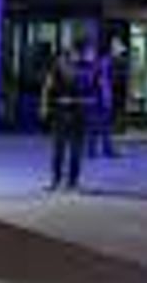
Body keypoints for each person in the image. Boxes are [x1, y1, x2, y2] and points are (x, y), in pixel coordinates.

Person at [41, 42, 97, 191]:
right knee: (59, 149)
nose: (76, 56)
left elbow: (93, 94)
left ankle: (71, 181)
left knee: (75, 150)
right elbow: (48, 89)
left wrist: (79, 101)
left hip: (77, 114)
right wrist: (47, 106)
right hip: (62, 113)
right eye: (74, 53)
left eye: (78, 54)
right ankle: (57, 180)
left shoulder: (86, 70)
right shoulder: (58, 68)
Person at [85, 42, 117, 159]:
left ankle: (93, 150)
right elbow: (100, 82)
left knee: (96, 125)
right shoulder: (103, 63)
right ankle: (105, 149)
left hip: (97, 98)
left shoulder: (93, 63)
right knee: (104, 125)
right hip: (101, 98)